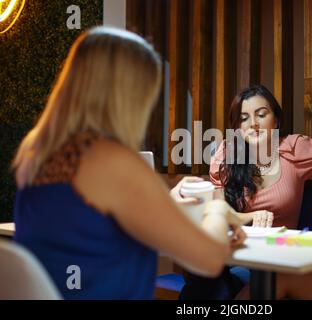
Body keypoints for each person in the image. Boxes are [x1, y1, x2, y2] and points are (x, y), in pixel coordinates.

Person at [12, 27, 245, 300]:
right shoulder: (112, 159)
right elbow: (208, 260)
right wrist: (217, 210)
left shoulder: (35, 152)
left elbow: (85, 223)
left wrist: (166, 207)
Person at [180, 85, 312, 300]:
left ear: (276, 120)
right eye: (244, 118)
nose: (253, 124)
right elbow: (219, 214)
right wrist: (250, 217)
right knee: (201, 279)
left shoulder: (295, 148)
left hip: (280, 258)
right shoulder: (228, 154)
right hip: (239, 258)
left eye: (261, 115)